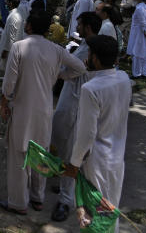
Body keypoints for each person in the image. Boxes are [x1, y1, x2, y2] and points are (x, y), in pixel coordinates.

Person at [0, 10, 86, 215]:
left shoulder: (19, 47)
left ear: (29, 26)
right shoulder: (56, 49)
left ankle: (18, 202)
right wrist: (60, 75)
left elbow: (9, 83)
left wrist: (4, 103)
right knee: (40, 154)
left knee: (19, 156)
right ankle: (38, 198)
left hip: (21, 110)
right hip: (44, 112)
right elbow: (81, 67)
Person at [64, 35, 132, 232]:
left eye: (89, 54)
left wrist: (74, 164)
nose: (87, 58)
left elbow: (86, 134)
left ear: (95, 58)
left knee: (96, 215)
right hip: (117, 157)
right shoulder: (123, 78)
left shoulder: (90, 88)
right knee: (110, 209)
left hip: (98, 160)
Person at [50, 11, 101, 222]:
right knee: (65, 147)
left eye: (79, 25)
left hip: (76, 103)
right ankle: (66, 186)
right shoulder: (87, 45)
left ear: (88, 27)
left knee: (72, 151)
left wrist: (55, 69)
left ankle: (66, 200)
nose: (77, 28)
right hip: (73, 100)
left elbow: (67, 71)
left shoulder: (89, 50)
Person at [0, 0, 24, 76]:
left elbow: (12, 37)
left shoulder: (14, 16)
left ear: (11, 3)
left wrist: (6, 50)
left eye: (7, 2)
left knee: (5, 73)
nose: (5, 4)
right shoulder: (15, 15)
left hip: (9, 51)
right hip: (11, 49)